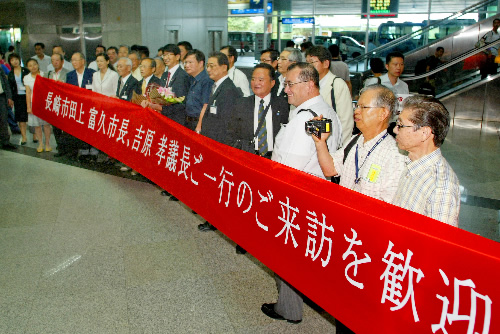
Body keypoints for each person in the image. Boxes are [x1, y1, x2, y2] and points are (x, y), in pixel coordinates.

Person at [262, 62, 342, 324]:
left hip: (293, 198)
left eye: (290, 84)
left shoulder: (307, 117)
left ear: (309, 84)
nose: (286, 90)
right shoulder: (326, 111)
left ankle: (289, 309)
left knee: (285, 255)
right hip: (314, 197)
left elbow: (289, 168)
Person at [227, 63, 290, 250]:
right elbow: (230, 133)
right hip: (249, 158)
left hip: (274, 160)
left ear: (272, 83)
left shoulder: (284, 104)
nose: (256, 82)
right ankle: (245, 239)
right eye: (253, 79)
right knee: (247, 200)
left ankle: (269, 239)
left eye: (261, 79)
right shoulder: (241, 104)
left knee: (271, 202)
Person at [393, 95, 460, 227]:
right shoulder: (412, 164)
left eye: (400, 125)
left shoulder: (440, 189)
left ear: (424, 133)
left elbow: (437, 245)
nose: (395, 130)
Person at [195, 52, 242, 232]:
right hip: (211, 143)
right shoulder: (217, 87)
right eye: (207, 65)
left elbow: (228, 124)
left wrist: (221, 149)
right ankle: (212, 218)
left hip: (219, 146)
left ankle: (215, 220)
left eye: (213, 65)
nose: (209, 69)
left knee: (217, 186)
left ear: (224, 67)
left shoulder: (229, 90)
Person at [305, 45, 353, 146]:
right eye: (307, 63)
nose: (308, 67)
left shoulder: (337, 84)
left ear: (326, 63)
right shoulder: (307, 85)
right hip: (312, 143)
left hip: (332, 144)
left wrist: (340, 148)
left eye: (312, 62)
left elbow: (346, 121)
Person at [57, 52, 95, 158]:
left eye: (76, 60)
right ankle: (82, 149)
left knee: (90, 129)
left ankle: (92, 149)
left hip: (90, 106)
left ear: (83, 61)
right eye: (72, 60)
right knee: (79, 129)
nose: (73, 62)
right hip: (77, 107)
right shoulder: (70, 75)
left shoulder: (92, 73)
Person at [143, 44, 191, 125]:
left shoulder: (183, 76)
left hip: (177, 120)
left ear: (177, 57)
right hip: (164, 118)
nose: (165, 58)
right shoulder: (165, 75)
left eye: (169, 55)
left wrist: (161, 108)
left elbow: (182, 102)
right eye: (164, 55)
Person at [24, 59, 51, 153]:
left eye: (34, 64)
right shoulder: (27, 78)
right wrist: (28, 106)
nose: (33, 67)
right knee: (37, 125)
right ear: (28, 67)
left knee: (46, 124)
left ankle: (47, 143)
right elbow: (28, 92)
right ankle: (40, 143)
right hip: (33, 103)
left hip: (44, 103)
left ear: (38, 65)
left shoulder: (45, 74)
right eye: (30, 65)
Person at [183, 49, 213, 131]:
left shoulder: (206, 81)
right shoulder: (191, 79)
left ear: (201, 63)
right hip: (188, 122)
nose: (186, 65)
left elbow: (205, 105)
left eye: (190, 62)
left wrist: (199, 126)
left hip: (198, 123)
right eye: (185, 62)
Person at [7, 53, 30, 145]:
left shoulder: (26, 70)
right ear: (10, 62)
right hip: (18, 97)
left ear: (19, 60)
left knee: (31, 115)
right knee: (21, 117)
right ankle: (24, 136)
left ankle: (34, 134)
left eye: (16, 59)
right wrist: (11, 98)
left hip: (28, 95)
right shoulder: (10, 73)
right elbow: (10, 87)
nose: (15, 61)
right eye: (12, 60)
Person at [0, 65, 15, 150]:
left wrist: (9, 97)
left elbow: (5, 82)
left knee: (3, 118)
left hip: (2, 96)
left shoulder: (0, 68)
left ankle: (5, 141)